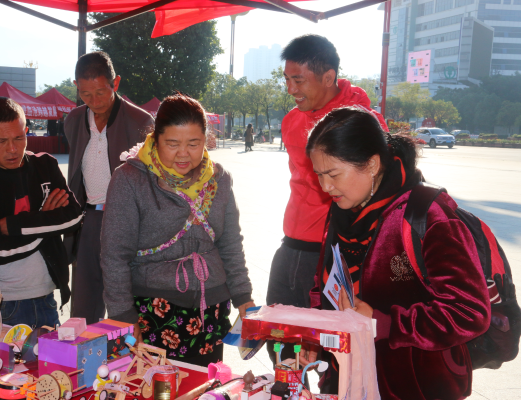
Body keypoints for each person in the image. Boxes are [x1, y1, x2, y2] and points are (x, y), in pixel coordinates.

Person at [302, 107, 490, 399]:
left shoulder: (428, 215)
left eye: (333, 174)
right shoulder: (341, 213)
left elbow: (469, 312)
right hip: (346, 380)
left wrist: (381, 323)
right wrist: (315, 335)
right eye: (318, 175)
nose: (325, 186)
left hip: (415, 384)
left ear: (373, 164)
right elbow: (324, 285)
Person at [100, 93, 254, 367]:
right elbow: (114, 254)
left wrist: (244, 297)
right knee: (153, 387)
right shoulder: (130, 180)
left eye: (194, 143)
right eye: (172, 144)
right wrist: (122, 314)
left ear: (206, 139)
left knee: (203, 388)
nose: (183, 154)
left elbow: (231, 243)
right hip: (153, 310)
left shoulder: (219, 179)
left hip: (211, 307)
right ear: (155, 139)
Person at [266, 35, 388, 363]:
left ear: (329, 78)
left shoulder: (360, 122)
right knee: (278, 339)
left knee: (336, 354)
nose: (291, 89)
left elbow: (384, 190)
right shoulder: (292, 120)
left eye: (299, 80)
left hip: (338, 251)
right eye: (287, 80)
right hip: (293, 243)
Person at [0, 97, 83, 328]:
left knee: (51, 365)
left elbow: (74, 217)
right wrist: (45, 221)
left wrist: (14, 225)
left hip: (47, 296)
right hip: (3, 303)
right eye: (1, 141)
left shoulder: (45, 165)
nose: (13, 149)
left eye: (19, 137)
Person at [64, 51, 154, 324]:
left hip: (128, 223)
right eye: (85, 94)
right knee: (85, 303)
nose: (94, 101)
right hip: (89, 219)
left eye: (101, 92)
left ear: (115, 83)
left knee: (125, 301)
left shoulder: (141, 123)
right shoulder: (74, 120)